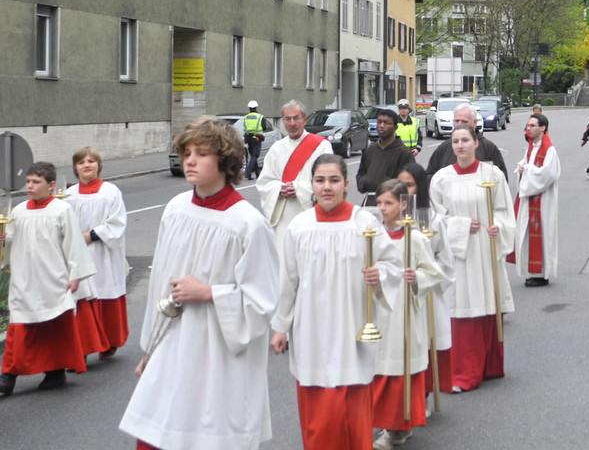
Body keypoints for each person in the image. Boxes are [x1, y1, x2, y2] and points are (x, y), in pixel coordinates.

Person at [120, 117, 280, 449]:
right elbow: (159, 286)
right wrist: (152, 349)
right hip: (172, 346)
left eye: (202, 153)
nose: (190, 161)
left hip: (217, 354)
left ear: (225, 161)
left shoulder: (247, 224)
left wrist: (209, 293)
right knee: (157, 435)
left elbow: (262, 301)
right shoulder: (176, 209)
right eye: (187, 153)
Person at [270, 155, 402, 450]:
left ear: (345, 184)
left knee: (352, 414)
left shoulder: (364, 222)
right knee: (319, 418)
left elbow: (392, 264)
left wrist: (379, 274)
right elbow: (288, 280)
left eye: (334, 180)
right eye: (320, 180)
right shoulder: (299, 226)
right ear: (312, 185)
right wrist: (280, 327)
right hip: (311, 331)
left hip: (351, 328)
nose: (326, 187)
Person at [428, 126, 515, 392]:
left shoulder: (492, 174)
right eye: (455, 141)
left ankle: (488, 365)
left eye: (465, 140)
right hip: (458, 253)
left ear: (476, 143)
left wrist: (498, 227)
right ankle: (462, 372)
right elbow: (435, 218)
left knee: (486, 298)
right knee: (461, 305)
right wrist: (461, 225)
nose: (460, 145)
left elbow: (504, 210)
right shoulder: (442, 179)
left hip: (485, 249)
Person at [0, 161, 95, 396]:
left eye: (36, 182)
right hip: (24, 279)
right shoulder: (18, 211)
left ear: (51, 185)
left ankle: (55, 371)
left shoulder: (61, 210)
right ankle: (8, 376)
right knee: (19, 327)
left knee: (54, 327)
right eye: (28, 181)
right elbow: (10, 242)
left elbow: (73, 243)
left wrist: (76, 275)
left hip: (53, 278)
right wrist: (3, 239)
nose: (30, 186)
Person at [371, 179, 449, 450]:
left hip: (404, 313)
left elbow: (435, 273)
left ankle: (396, 429)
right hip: (378, 311)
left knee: (398, 370)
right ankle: (389, 424)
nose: (382, 208)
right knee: (379, 370)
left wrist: (417, 278)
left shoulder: (414, 238)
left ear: (404, 205)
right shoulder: (372, 236)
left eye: (388, 203)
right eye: (379, 203)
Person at [399, 162, 456, 403]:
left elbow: (446, 262)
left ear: (420, 187)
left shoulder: (433, 220)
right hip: (398, 292)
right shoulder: (388, 218)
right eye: (400, 185)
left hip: (426, 293)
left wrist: (425, 276)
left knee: (425, 343)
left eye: (409, 185)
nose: (404, 191)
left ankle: (424, 393)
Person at [67, 147, 130, 363]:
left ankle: (109, 341)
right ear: (75, 168)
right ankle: (82, 349)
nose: (86, 165)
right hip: (77, 255)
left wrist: (90, 236)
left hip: (104, 253)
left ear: (99, 165)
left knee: (105, 294)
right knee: (81, 299)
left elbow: (117, 223)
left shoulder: (110, 192)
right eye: (81, 162)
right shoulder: (68, 195)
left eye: (91, 161)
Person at [256, 100, 333, 246]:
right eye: (287, 119)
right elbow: (264, 182)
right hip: (284, 217)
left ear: (305, 119)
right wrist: (279, 189)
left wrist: (298, 188)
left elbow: (329, 182)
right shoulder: (276, 149)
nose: (292, 123)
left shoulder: (322, 146)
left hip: (310, 215)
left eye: (296, 118)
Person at [514, 113, 560, 287]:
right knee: (527, 233)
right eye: (528, 125)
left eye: (532, 125)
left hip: (544, 200)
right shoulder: (531, 147)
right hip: (531, 197)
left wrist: (527, 170)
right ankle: (533, 271)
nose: (529, 128)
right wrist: (521, 168)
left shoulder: (549, 150)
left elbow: (549, 174)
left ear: (542, 128)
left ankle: (542, 274)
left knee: (543, 233)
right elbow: (527, 164)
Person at [425, 103, 508, 183]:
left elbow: (501, 180)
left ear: (475, 123)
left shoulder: (488, 148)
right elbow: (430, 177)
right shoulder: (444, 148)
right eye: (457, 121)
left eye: (464, 121)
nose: (459, 124)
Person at [357, 108, 413, 204]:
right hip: (371, 200)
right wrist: (367, 181)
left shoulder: (404, 153)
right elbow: (361, 173)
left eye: (387, 123)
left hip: (393, 202)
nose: (382, 126)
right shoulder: (370, 150)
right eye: (379, 122)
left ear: (395, 128)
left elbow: (408, 181)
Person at [243, 99, 266, 180]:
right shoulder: (260, 117)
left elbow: (245, 127)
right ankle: (248, 172)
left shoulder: (246, 117)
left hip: (249, 138)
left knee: (253, 155)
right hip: (257, 138)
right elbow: (264, 127)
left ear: (249, 108)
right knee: (255, 155)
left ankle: (257, 173)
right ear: (256, 107)